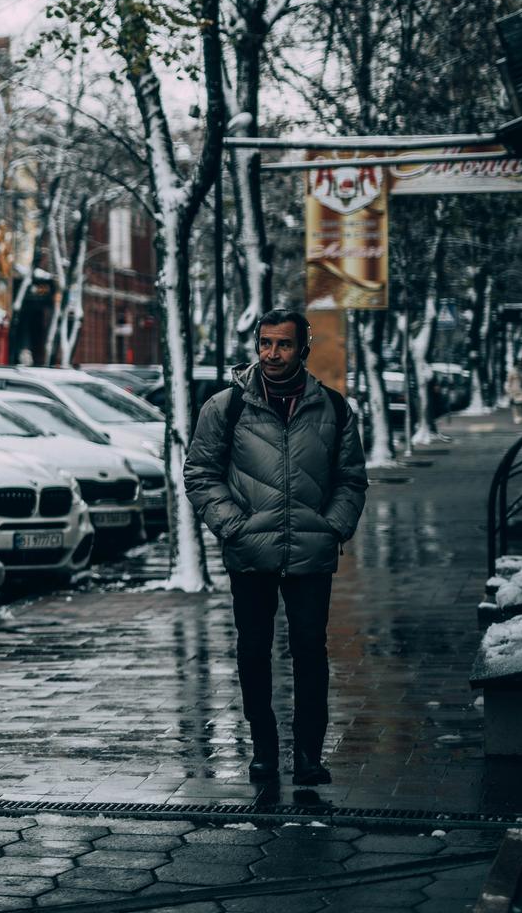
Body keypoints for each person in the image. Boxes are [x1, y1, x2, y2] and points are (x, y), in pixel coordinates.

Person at [183, 308, 368, 787]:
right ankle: (263, 749)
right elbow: (200, 474)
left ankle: (309, 755)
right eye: (265, 343)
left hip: (311, 553)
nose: (272, 353)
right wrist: (233, 526)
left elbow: (351, 479)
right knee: (253, 652)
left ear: (303, 349)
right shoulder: (226, 407)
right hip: (251, 553)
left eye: (283, 345)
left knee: (310, 652)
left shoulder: (333, 408)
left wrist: (333, 528)